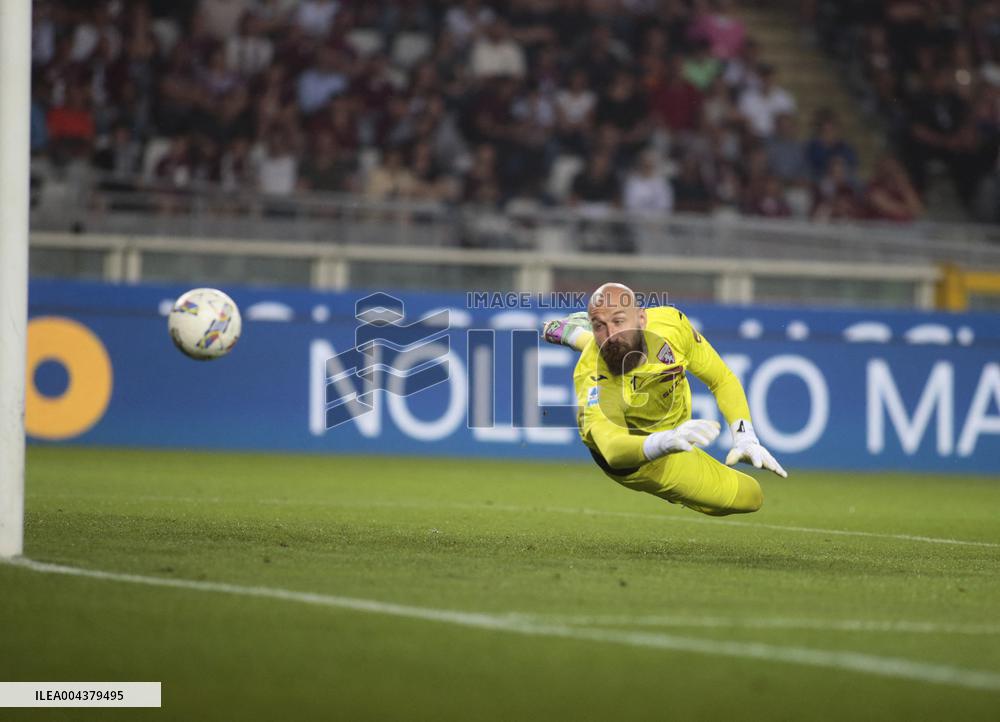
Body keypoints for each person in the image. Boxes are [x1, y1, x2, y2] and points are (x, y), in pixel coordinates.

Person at [543, 283, 786, 517]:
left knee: (614, 346)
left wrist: (745, 435)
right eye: (599, 326)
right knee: (751, 496)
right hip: (642, 460)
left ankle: (575, 333)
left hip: (673, 428)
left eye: (618, 321)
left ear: (642, 318)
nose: (610, 335)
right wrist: (662, 442)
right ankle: (579, 335)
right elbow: (612, 449)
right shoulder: (593, 376)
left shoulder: (671, 324)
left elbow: (721, 378)